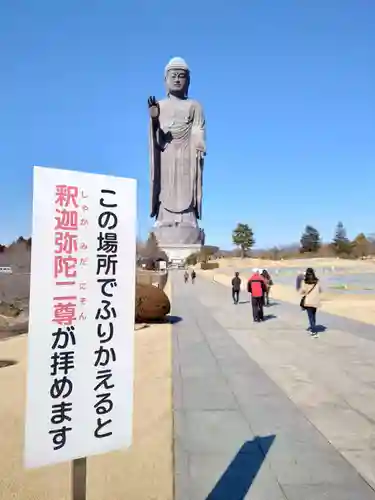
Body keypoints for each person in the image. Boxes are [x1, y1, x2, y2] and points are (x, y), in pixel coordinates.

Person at [300, 267, 322, 337]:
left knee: (310, 317)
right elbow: (320, 290)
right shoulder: (317, 281)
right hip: (315, 300)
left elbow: (303, 291)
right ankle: (313, 327)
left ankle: (314, 331)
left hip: (308, 301)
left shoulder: (305, 281)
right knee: (313, 315)